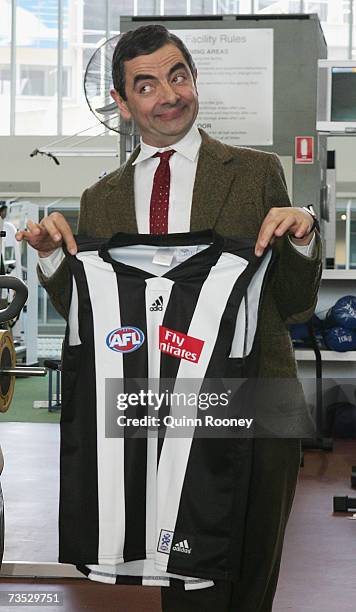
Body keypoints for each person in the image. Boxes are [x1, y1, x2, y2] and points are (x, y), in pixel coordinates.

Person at [16, 25, 321, 612]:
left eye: (177, 75)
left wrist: (304, 239)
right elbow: (95, 320)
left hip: (255, 397)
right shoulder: (100, 197)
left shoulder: (256, 172)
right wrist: (55, 263)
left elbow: (294, 303)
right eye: (147, 85)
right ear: (124, 105)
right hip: (156, 405)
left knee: (250, 572)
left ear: (194, 78)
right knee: (181, 576)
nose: (169, 95)